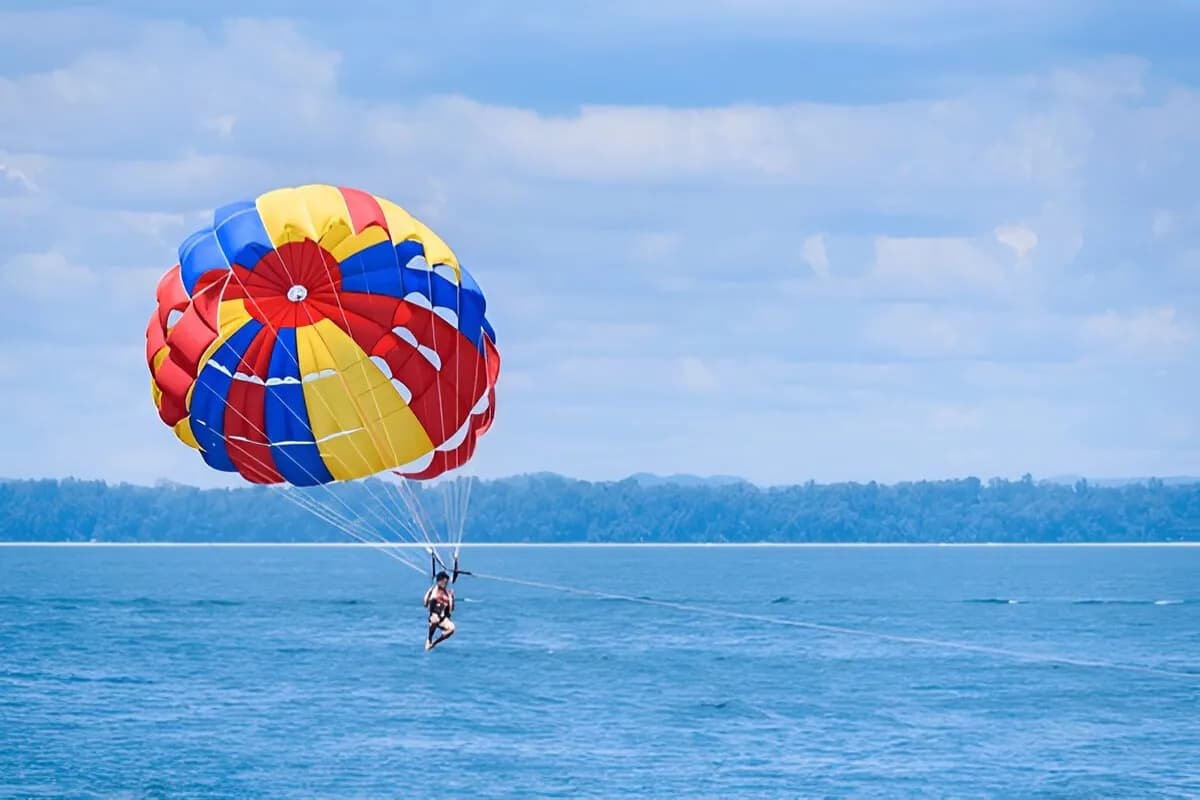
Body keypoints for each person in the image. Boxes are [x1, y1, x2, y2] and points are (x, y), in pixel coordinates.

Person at [423, 570, 456, 650]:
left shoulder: (447, 593)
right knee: (435, 619)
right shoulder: (434, 590)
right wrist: (429, 592)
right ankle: (429, 638)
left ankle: (435, 643)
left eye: (446, 582)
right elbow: (425, 603)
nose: (446, 584)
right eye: (444, 582)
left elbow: (452, 609)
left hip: (443, 618)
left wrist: (452, 598)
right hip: (434, 615)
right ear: (439, 581)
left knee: (452, 628)